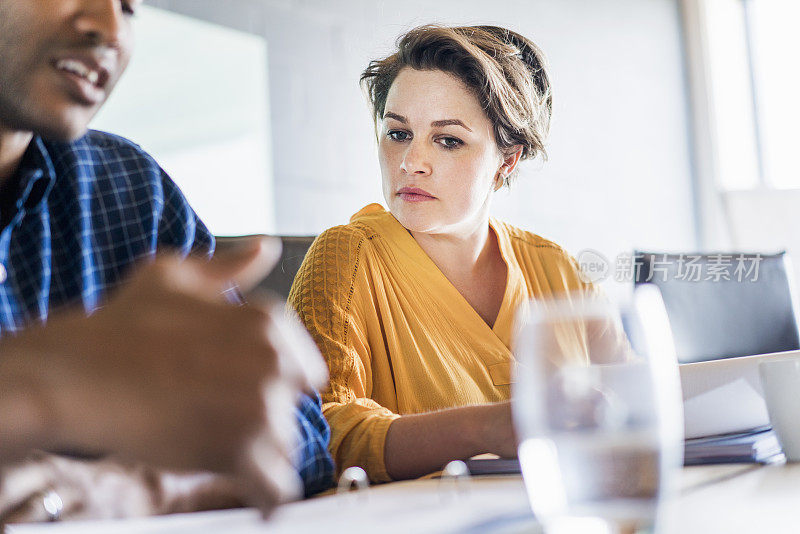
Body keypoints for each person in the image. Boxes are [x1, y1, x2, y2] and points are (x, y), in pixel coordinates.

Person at [0, 0, 332, 522]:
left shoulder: (130, 189)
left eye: (130, 7)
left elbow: (299, 436)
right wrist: (42, 384)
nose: (110, 29)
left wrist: (136, 489)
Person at [289, 24, 618, 483]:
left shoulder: (556, 269)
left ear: (507, 162)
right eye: (398, 133)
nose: (410, 163)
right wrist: (485, 427)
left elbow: (635, 403)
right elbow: (316, 439)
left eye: (448, 140)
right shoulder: (347, 257)